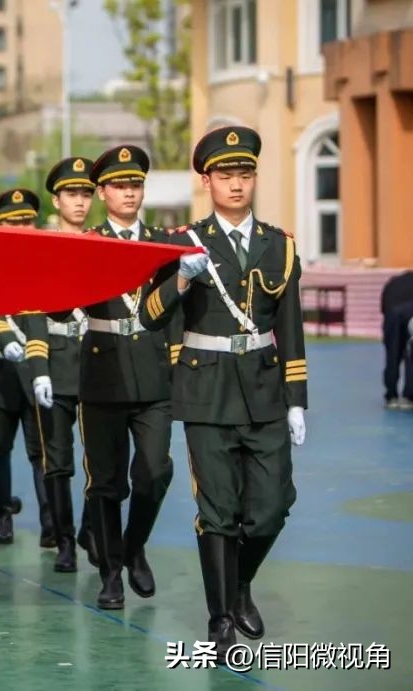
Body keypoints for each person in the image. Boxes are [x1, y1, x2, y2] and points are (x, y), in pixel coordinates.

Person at [141, 126, 306, 664]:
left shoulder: (279, 245)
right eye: (225, 175)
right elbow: (149, 314)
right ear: (207, 180)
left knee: (273, 507)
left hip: (263, 390)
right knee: (218, 511)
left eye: (245, 174)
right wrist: (181, 280)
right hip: (206, 389)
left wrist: (297, 396)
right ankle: (220, 619)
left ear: (254, 178)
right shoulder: (182, 243)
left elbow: (291, 325)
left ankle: (239, 587)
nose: (236, 185)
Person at [74, 145, 179, 610]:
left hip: (154, 372)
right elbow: (60, 299)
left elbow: (175, 312)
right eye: (119, 185)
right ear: (102, 193)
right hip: (103, 369)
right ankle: (111, 572)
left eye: (135, 184)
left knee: (156, 471)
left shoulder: (162, 244)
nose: (129, 193)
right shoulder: (87, 243)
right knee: (106, 481)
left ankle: (133, 545)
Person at [17, 157, 98, 572]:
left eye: (86, 194)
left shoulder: (103, 245)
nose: (80, 202)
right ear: (56, 199)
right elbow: (33, 313)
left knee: (99, 461)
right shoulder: (43, 249)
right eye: (72, 194)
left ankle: (91, 531)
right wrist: (39, 367)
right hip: (57, 364)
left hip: (97, 366)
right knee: (58, 461)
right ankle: (65, 539)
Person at [0, 189, 45, 546]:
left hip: (38, 367)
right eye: (12, 222)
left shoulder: (42, 260)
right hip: (2, 370)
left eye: (26, 220)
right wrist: (3, 335)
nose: (21, 226)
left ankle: (50, 520)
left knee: (41, 450)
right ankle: (3, 515)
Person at [381, 271, 413, 409]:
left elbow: (383, 307)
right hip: (410, 314)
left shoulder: (394, 281)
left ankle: (391, 395)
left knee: (392, 355)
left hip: (391, 314)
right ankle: (409, 396)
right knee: (411, 355)